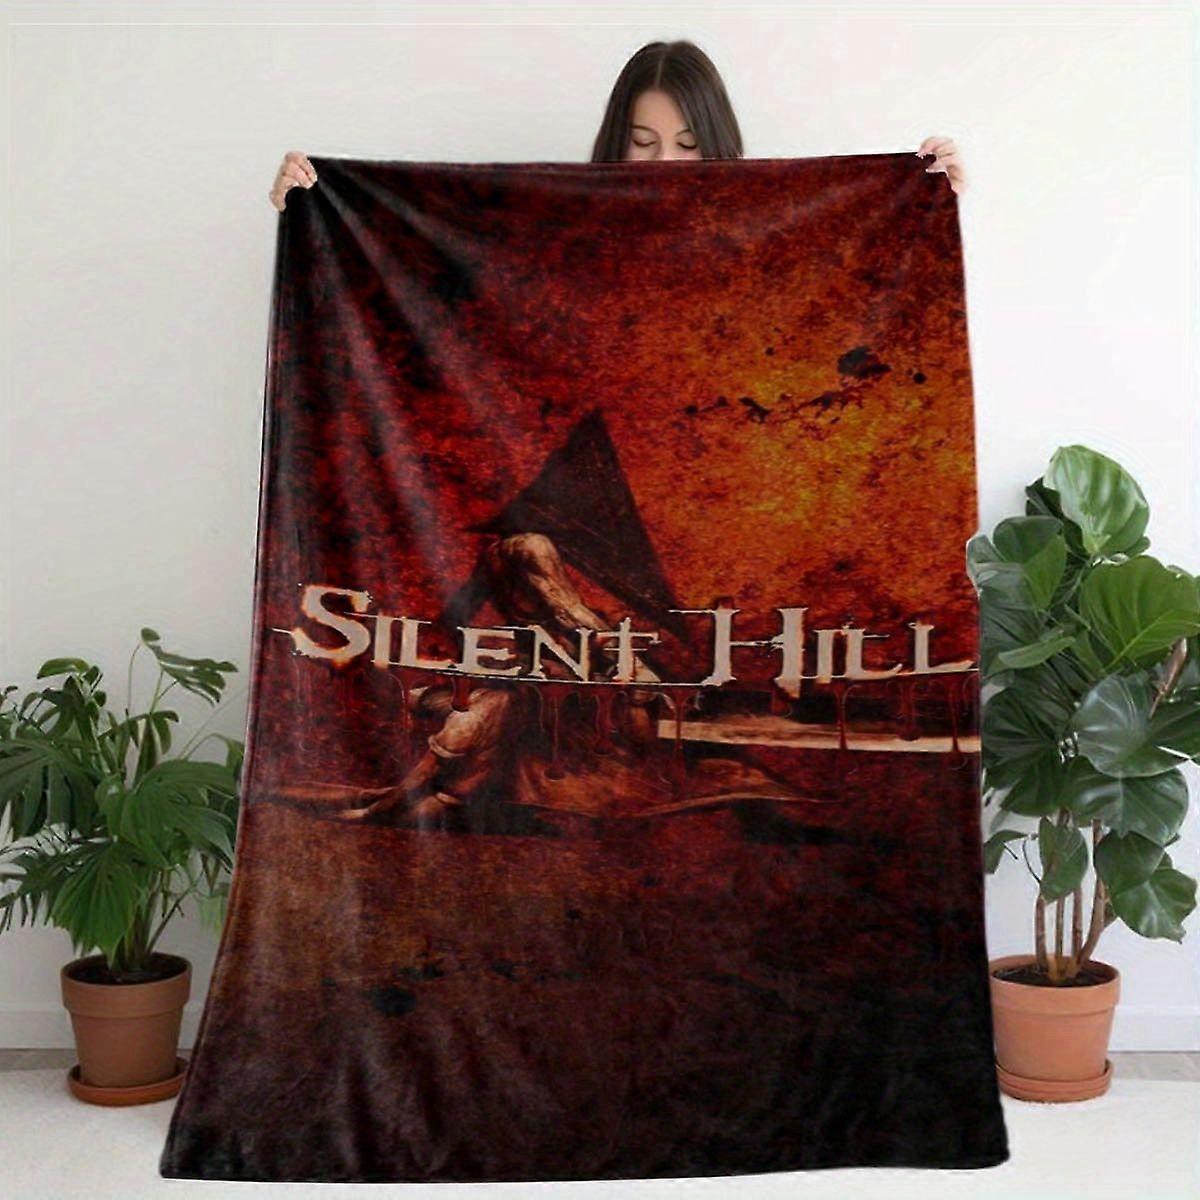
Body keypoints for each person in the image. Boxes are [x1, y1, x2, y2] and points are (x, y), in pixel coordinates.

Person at [267, 39, 966, 210]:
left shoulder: (772, 231)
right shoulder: (558, 227)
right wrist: (319, 202)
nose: (665, 164)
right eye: (643, 143)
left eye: (689, 146)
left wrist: (924, 196)